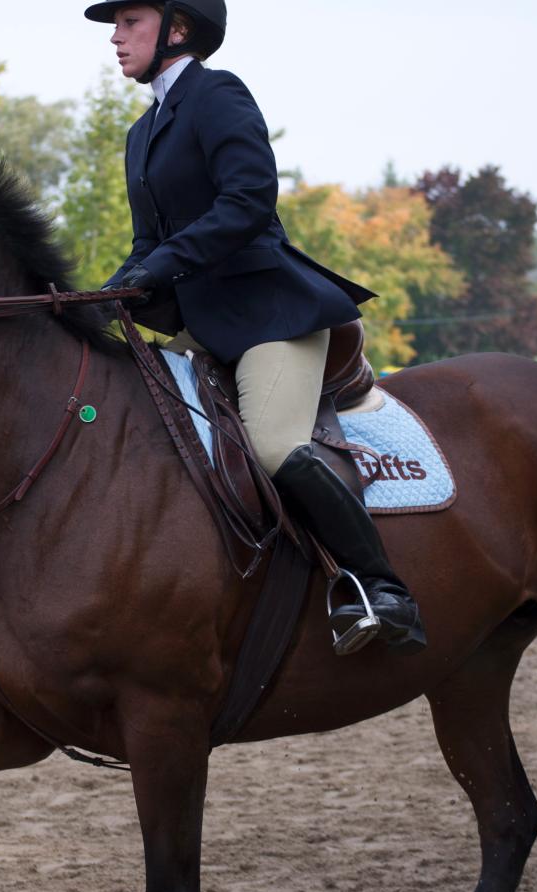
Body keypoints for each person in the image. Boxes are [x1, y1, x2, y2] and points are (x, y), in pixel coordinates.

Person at [86, 0, 427, 657]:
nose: (116, 37)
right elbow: (149, 243)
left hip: (271, 316)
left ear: (177, 29)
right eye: (116, 26)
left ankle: (385, 590)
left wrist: (152, 269)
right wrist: (100, 296)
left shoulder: (218, 95)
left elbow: (246, 203)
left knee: (272, 445)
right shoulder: (142, 132)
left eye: (129, 22)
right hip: (202, 324)